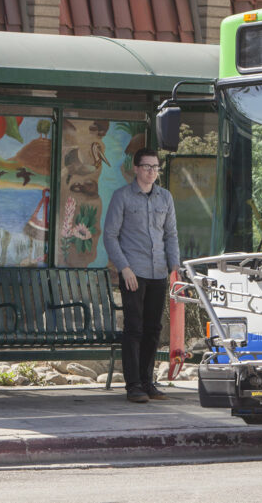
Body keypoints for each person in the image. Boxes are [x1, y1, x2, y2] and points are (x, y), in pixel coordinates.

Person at [103, 148, 180, 403]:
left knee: (153, 329)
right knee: (134, 328)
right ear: (136, 168)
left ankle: (148, 382)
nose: (151, 171)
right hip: (133, 273)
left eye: (155, 167)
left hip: (158, 271)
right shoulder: (122, 197)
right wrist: (124, 268)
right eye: (147, 166)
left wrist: (174, 269)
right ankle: (133, 385)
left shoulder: (165, 198)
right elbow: (110, 236)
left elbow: (171, 235)